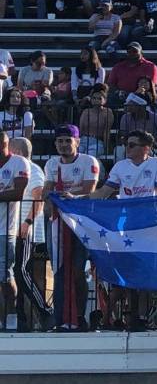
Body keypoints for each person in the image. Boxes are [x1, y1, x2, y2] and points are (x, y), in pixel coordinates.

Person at [88, 129, 157, 330]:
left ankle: (140, 316)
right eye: (126, 144)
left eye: (132, 145)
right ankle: (109, 317)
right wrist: (79, 200)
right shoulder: (120, 166)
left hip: (148, 225)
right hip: (126, 228)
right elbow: (105, 192)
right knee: (124, 274)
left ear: (146, 148)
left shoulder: (156, 164)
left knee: (145, 273)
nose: (127, 148)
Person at [43, 125, 99, 331]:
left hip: (80, 222)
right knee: (58, 269)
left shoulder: (88, 161)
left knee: (77, 269)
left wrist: (68, 196)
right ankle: (60, 317)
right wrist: (49, 204)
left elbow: (89, 189)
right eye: (60, 141)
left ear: (77, 142)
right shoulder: (51, 163)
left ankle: (78, 316)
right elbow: (47, 190)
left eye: (68, 140)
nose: (64, 145)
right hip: (58, 221)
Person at [0, 130, 30, 329]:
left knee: (5, 275)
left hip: (5, 229)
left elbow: (19, 192)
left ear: (7, 143)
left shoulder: (19, 162)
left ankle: (11, 315)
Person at [78, 86, 113, 157]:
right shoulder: (86, 111)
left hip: (97, 141)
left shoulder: (108, 112)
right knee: (77, 154)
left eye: (99, 98)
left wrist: (106, 147)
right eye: (94, 98)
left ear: (105, 100)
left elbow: (106, 131)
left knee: (90, 155)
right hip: (83, 140)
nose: (96, 100)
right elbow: (81, 129)